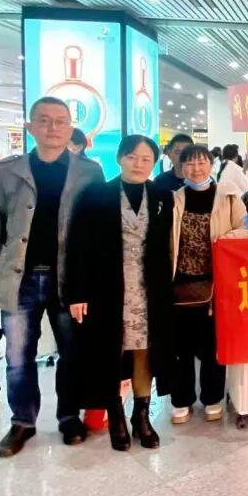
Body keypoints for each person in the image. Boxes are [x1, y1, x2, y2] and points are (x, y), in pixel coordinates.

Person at [0, 96, 105, 457]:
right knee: (17, 357)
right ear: (30, 127)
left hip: (68, 279)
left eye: (60, 121)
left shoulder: (89, 172)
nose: (52, 127)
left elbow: (96, 230)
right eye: (43, 120)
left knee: (72, 353)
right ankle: (22, 422)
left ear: (71, 128)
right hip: (21, 278)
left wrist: (89, 281)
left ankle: (68, 416)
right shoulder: (8, 171)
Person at [66, 135, 174, 451]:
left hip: (149, 287)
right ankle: (115, 413)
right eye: (132, 157)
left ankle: (141, 415)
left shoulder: (161, 196)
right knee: (109, 350)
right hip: (106, 286)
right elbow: (77, 245)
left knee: (144, 349)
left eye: (146, 159)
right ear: (119, 158)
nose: (139, 164)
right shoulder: (95, 194)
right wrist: (77, 293)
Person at [169, 145, 248, 424]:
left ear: (211, 164)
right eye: (190, 163)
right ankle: (181, 399)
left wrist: (227, 239)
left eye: (201, 162)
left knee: (211, 345)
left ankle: (212, 397)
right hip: (180, 284)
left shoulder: (228, 197)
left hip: (217, 284)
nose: (196, 169)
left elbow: (247, 229)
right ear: (181, 167)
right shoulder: (173, 199)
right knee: (180, 347)